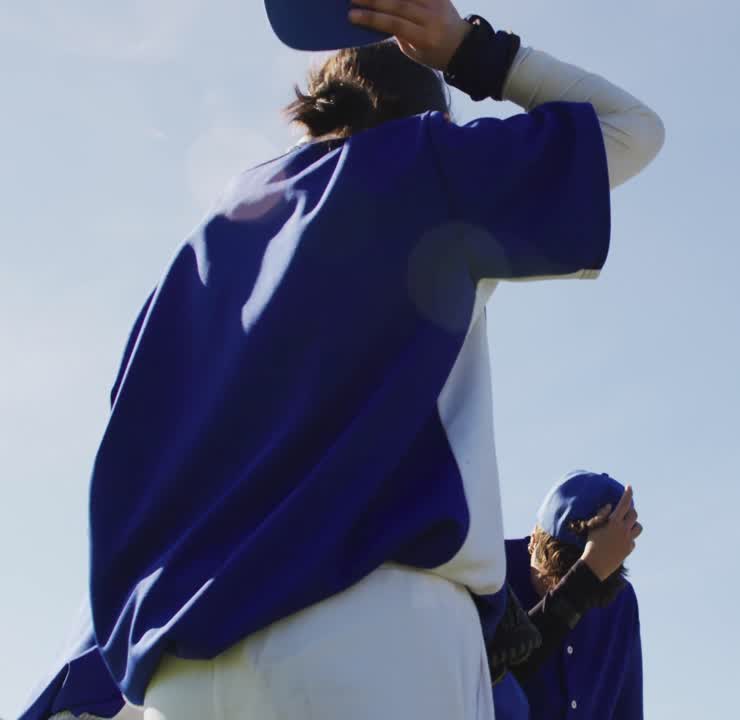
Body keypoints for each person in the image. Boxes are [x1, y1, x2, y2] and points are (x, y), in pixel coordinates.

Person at [25, 1, 664, 718]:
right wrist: (466, 48)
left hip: (178, 669)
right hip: (375, 633)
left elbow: (127, 468)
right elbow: (633, 129)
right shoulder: (427, 163)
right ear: (434, 109)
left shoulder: (206, 241)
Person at [493, 470, 644, 720]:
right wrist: (583, 580)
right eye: (550, 581)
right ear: (534, 542)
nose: (559, 594)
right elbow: (482, 681)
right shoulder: (490, 573)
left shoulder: (621, 601)